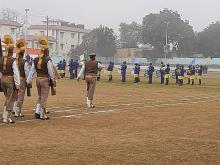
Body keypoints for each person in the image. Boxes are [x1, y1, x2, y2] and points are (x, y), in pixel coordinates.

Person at [27, 36, 56, 120]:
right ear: (47, 51)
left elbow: (32, 71)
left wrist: (29, 80)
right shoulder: (48, 60)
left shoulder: (35, 59)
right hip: (45, 80)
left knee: (40, 96)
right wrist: (53, 80)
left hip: (37, 79)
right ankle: (42, 114)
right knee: (44, 97)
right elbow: (51, 71)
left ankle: (37, 111)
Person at [0, 35, 20, 123]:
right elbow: (15, 73)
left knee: (8, 98)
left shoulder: (1, 59)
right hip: (10, 81)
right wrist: (18, 84)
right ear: (12, 51)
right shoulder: (12, 60)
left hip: (2, 80)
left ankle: (4, 115)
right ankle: (6, 117)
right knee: (10, 99)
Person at [13, 39, 30, 117]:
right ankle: (17, 112)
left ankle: (13, 110)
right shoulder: (24, 61)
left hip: (14, 79)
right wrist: (28, 81)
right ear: (23, 54)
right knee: (20, 97)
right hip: (22, 79)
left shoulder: (14, 60)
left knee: (15, 96)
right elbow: (27, 72)